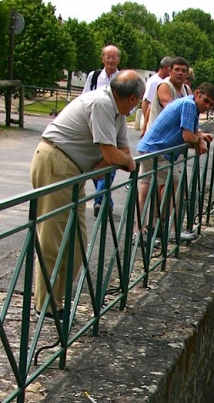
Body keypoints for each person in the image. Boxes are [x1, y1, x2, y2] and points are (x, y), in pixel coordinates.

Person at [30, 69, 144, 319]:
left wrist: (119, 160)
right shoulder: (102, 103)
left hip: (72, 170)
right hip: (57, 163)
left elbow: (121, 151)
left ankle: (56, 301)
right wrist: (121, 161)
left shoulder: (118, 111)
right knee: (52, 239)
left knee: (77, 244)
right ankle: (46, 306)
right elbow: (116, 156)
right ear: (134, 99)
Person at [136, 83, 214, 239]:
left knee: (151, 189)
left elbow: (194, 132)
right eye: (205, 101)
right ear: (198, 94)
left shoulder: (189, 104)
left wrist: (198, 138)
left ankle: (145, 230)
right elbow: (188, 136)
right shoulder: (189, 104)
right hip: (156, 152)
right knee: (177, 185)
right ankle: (172, 230)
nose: (207, 106)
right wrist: (199, 142)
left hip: (150, 149)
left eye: (211, 105)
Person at [83, 45, 122, 215]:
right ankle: (106, 198)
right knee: (94, 162)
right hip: (93, 123)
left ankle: (99, 199)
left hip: (112, 123)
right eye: (108, 57)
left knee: (110, 160)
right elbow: (85, 96)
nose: (111, 60)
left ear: (118, 60)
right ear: (102, 58)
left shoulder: (122, 78)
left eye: (114, 57)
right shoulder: (94, 76)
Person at [139, 57, 173, 137]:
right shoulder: (154, 81)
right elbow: (146, 103)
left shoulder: (166, 82)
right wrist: (146, 124)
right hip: (151, 121)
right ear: (166, 68)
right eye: (170, 69)